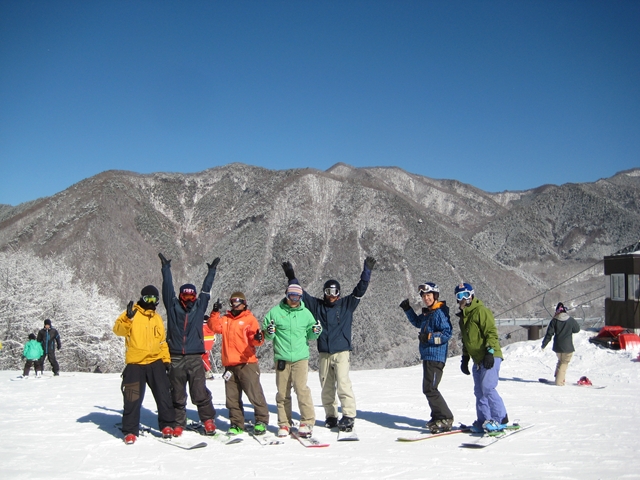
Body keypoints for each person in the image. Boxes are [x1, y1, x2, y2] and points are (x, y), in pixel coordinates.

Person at [281, 256, 376, 432]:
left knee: (343, 383)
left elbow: (360, 290)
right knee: (326, 386)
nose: (331, 296)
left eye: (334, 292)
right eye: (328, 292)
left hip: (341, 352)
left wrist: (367, 272)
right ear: (324, 292)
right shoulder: (317, 306)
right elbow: (301, 293)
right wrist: (291, 276)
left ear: (339, 293)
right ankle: (331, 415)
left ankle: (348, 415)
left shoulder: (347, 305)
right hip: (324, 352)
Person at [159, 252, 219, 436]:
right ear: (180, 296)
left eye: (191, 295)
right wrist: (166, 269)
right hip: (176, 355)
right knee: (177, 393)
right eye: (185, 295)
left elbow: (206, 292)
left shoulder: (199, 308)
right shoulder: (173, 307)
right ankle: (178, 423)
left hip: (194, 356)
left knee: (199, 391)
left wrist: (211, 272)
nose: (188, 298)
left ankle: (208, 420)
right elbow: (167, 289)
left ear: (194, 296)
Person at [113, 285, 176, 445]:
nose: (150, 302)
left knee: (164, 395)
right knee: (132, 398)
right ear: (142, 298)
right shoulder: (132, 313)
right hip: (135, 363)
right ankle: (130, 431)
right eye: (147, 298)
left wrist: (166, 360)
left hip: (155, 361)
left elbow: (162, 342)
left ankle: (167, 425)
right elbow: (118, 330)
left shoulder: (157, 318)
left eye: (153, 299)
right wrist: (127, 318)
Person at [263, 284, 322, 438]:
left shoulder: (306, 313)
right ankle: (284, 423)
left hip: (300, 358)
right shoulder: (275, 312)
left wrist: (316, 331)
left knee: (301, 389)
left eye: (297, 297)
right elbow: (267, 334)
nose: (294, 300)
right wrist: (269, 332)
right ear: (287, 295)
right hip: (282, 358)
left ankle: (307, 421)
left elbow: (311, 334)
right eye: (292, 297)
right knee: (282, 392)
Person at [207, 292, 270, 436]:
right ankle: (236, 423)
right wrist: (215, 312)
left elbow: (256, 340)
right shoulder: (226, 319)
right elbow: (213, 326)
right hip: (230, 364)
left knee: (254, 393)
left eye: (238, 302)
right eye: (233, 302)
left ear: (244, 303)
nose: (235, 305)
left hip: (246, 363)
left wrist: (258, 338)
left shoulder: (249, 319)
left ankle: (261, 420)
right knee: (232, 397)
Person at [399, 282, 454, 433]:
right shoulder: (429, 313)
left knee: (430, 388)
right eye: (424, 296)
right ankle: (437, 417)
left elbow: (447, 333)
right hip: (428, 356)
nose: (426, 298)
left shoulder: (439, 313)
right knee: (428, 388)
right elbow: (418, 322)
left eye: (429, 295)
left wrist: (429, 337)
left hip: (436, 356)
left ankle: (446, 418)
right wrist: (408, 309)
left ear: (435, 296)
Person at [455, 282, 509, 432]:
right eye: (460, 295)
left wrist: (490, 352)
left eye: (466, 294)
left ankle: (500, 418)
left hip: (490, 356)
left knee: (488, 388)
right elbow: (466, 340)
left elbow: (491, 332)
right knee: (479, 392)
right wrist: (465, 358)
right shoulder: (463, 317)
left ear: (472, 295)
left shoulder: (481, 311)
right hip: (478, 359)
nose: (463, 298)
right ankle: (484, 420)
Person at [541, 302, 581, 386]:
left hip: (558, 347)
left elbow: (549, 334)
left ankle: (558, 377)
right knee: (564, 363)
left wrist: (544, 344)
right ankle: (559, 382)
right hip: (568, 347)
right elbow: (577, 329)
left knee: (561, 361)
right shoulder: (570, 320)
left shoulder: (554, 320)